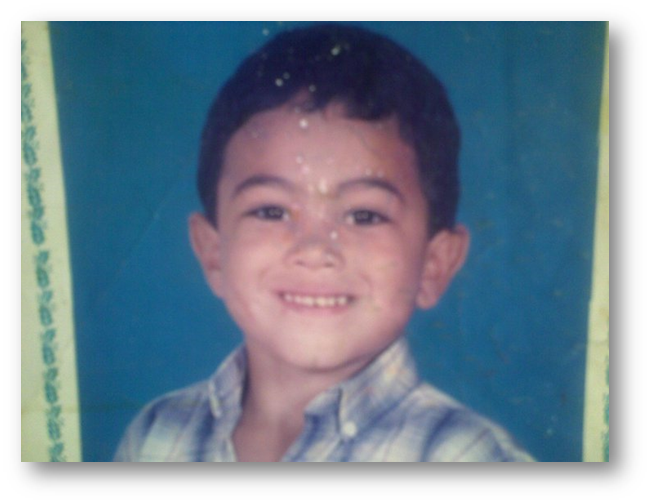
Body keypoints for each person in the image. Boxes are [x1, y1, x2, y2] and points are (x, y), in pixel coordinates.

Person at [114, 23, 533, 462]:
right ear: (213, 254)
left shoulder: (468, 458)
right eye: (271, 211)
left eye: (364, 216)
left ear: (434, 264)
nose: (315, 250)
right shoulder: (157, 435)